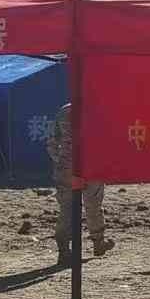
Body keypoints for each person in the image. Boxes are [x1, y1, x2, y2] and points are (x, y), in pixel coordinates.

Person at [46, 101, 113, 261]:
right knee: (93, 205)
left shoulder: (64, 110)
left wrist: (61, 161)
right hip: (92, 165)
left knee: (67, 208)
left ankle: (64, 249)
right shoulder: (98, 109)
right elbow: (107, 139)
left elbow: (52, 141)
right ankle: (98, 242)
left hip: (68, 166)